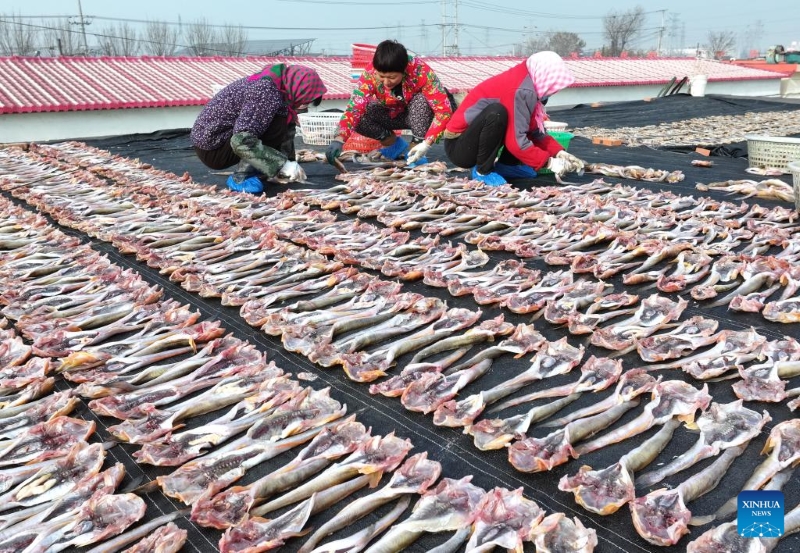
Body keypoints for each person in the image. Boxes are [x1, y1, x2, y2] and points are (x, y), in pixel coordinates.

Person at [443, 51, 585, 186]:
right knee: (496, 113)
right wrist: (549, 163)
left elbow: (533, 131)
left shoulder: (527, 82)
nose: (552, 92)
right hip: (460, 147)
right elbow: (516, 143)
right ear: (545, 77)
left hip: (471, 142)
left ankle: (507, 165)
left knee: (515, 123)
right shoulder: (522, 90)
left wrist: (560, 152)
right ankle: (482, 171)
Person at [191, 63, 327, 193]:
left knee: (282, 118)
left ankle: (262, 167)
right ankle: (241, 177)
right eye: (305, 103)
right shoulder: (266, 92)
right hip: (212, 146)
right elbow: (241, 140)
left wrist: (289, 163)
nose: (303, 108)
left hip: (222, 139)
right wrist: (281, 164)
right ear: (299, 90)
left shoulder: (280, 87)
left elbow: (287, 129)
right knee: (277, 123)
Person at [325, 40, 454, 168]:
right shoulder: (370, 74)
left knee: (421, 100)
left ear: (404, 71)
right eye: (381, 76)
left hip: (421, 115)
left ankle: (415, 149)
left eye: (392, 77)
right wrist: (339, 139)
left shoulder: (421, 72)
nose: (386, 82)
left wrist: (427, 143)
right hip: (393, 114)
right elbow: (354, 108)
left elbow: (443, 111)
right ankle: (395, 145)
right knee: (362, 112)